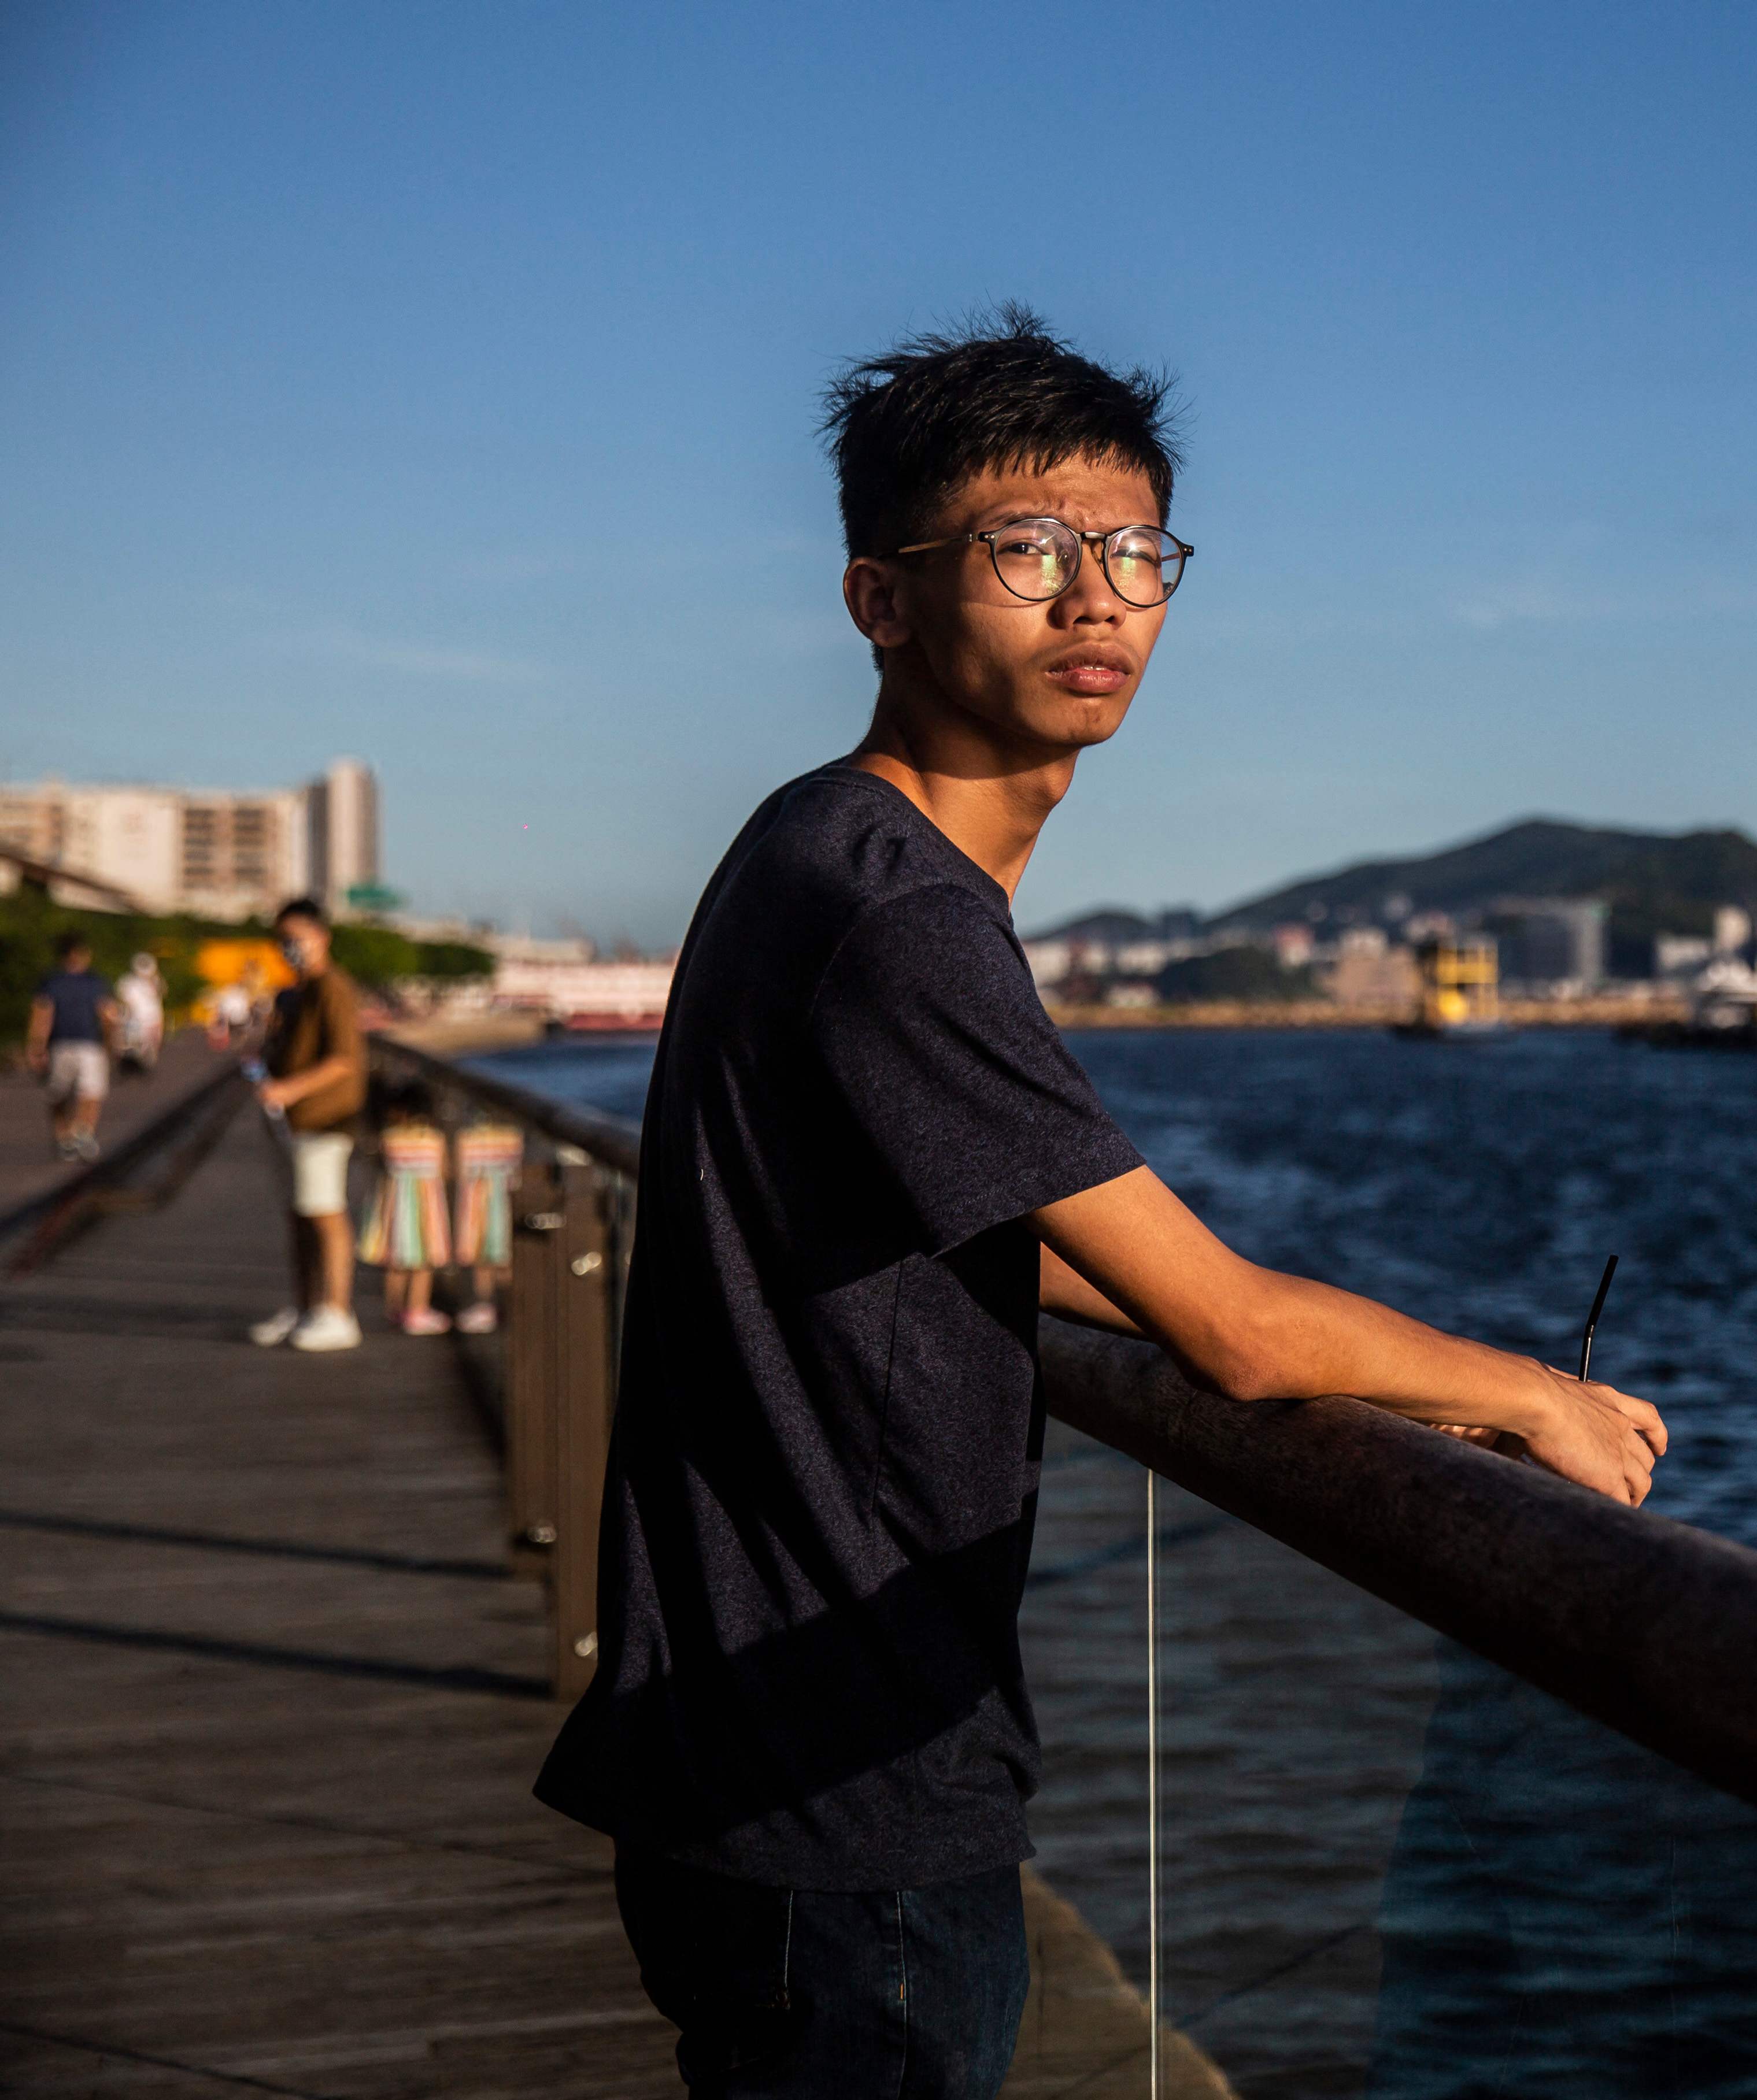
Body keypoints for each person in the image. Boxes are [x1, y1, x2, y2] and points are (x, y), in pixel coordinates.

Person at [534, 310, 1669, 2099]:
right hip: (837, 1789)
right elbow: (1222, 1320)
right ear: (880, 599)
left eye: (1137, 551)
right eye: (1027, 548)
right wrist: (1528, 1391)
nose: (1097, 601)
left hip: (751, 1747)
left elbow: (1014, 1248)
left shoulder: (815, 844)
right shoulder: (898, 911)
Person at [249, 898, 368, 1353]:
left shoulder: (333, 987)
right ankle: (307, 1308)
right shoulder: (298, 991)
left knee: (325, 1212)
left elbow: (345, 1059)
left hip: (326, 1119)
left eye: (296, 938)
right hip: (294, 1125)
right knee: (302, 1215)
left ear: (322, 937)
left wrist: (289, 1090)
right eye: (283, 939)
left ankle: (337, 1311)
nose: (289, 947)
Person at [356, 1077, 454, 1336]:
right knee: (423, 1264)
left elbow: (380, 1168)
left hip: (394, 1208)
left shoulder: (389, 1138)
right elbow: (445, 1171)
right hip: (426, 1208)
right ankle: (418, 1310)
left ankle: (394, 1310)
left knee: (395, 1263)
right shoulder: (435, 1139)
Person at [27, 934, 119, 1162]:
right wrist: (37, 1045)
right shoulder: (57, 982)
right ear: (76, 953)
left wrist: (36, 1044)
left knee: (89, 1092)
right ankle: (66, 1137)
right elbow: (43, 1014)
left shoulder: (93, 982)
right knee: (62, 1093)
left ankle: (80, 1133)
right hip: (67, 1043)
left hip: (86, 1044)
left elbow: (106, 1014)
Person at [450, 1112, 521, 1334]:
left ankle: (486, 1305)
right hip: (506, 1202)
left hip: (477, 1204)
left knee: (483, 1258)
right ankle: (512, 1306)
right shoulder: (513, 1136)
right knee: (506, 1259)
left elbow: (459, 1172)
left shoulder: (467, 1138)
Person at [116, 953, 166, 1075]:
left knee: (151, 1047)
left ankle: (144, 1067)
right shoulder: (128, 982)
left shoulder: (155, 981)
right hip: (136, 1021)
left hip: (153, 1019)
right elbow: (125, 1001)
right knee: (135, 1047)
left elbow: (162, 993)